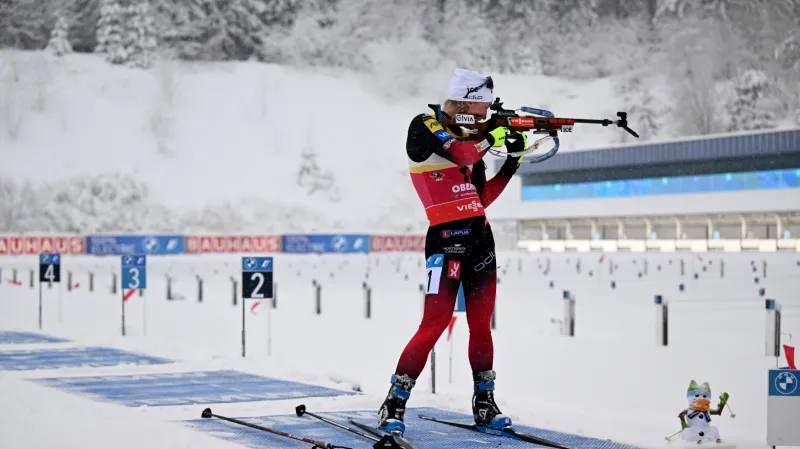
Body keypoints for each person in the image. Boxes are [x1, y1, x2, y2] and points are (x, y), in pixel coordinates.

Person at [378, 68, 528, 436]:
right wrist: (492, 135)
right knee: (434, 323)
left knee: (480, 324)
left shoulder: (473, 143)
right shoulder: (425, 125)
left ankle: (484, 401)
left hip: (480, 239)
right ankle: (394, 403)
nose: (483, 118)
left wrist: (512, 162)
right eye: (480, 111)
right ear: (462, 102)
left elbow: (481, 198)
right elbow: (460, 153)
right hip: (445, 240)